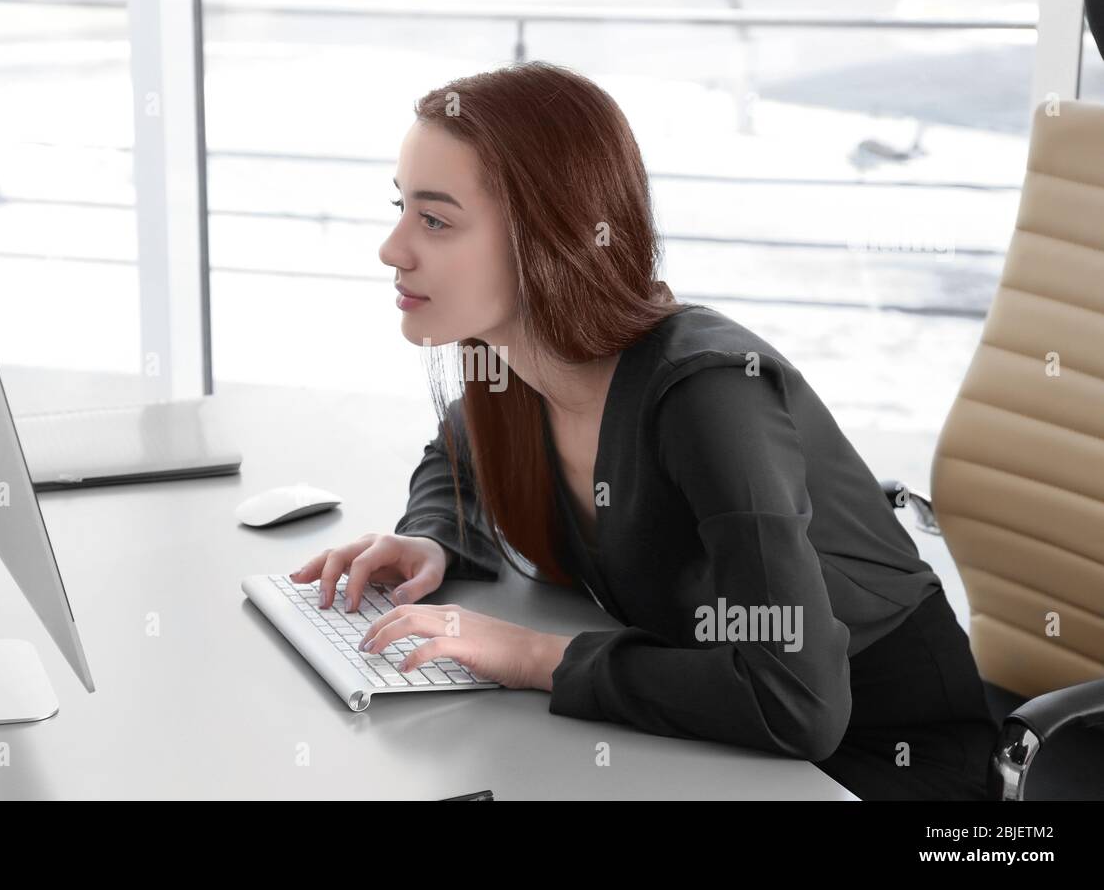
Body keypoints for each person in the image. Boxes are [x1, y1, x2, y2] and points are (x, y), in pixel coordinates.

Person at [290, 61, 997, 800]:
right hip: (717, 739)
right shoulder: (514, 367)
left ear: (551, 239)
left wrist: (537, 658)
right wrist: (435, 536)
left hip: (877, 756)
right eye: (402, 207)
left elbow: (798, 705)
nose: (392, 247)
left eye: (434, 220)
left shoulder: (709, 395)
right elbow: (457, 450)